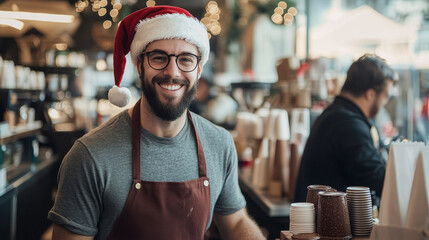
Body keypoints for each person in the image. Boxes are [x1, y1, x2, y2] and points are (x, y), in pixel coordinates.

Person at [48, 6, 264, 240]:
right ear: (139, 64)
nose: (172, 72)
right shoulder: (90, 156)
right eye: (159, 58)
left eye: (186, 59)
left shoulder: (220, 144)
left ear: (199, 69)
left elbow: (237, 221)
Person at [294, 54, 397, 202]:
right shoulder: (348, 124)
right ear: (370, 94)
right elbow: (380, 181)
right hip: (330, 222)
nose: (384, 103)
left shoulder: (335, 115)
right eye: (385, 95)